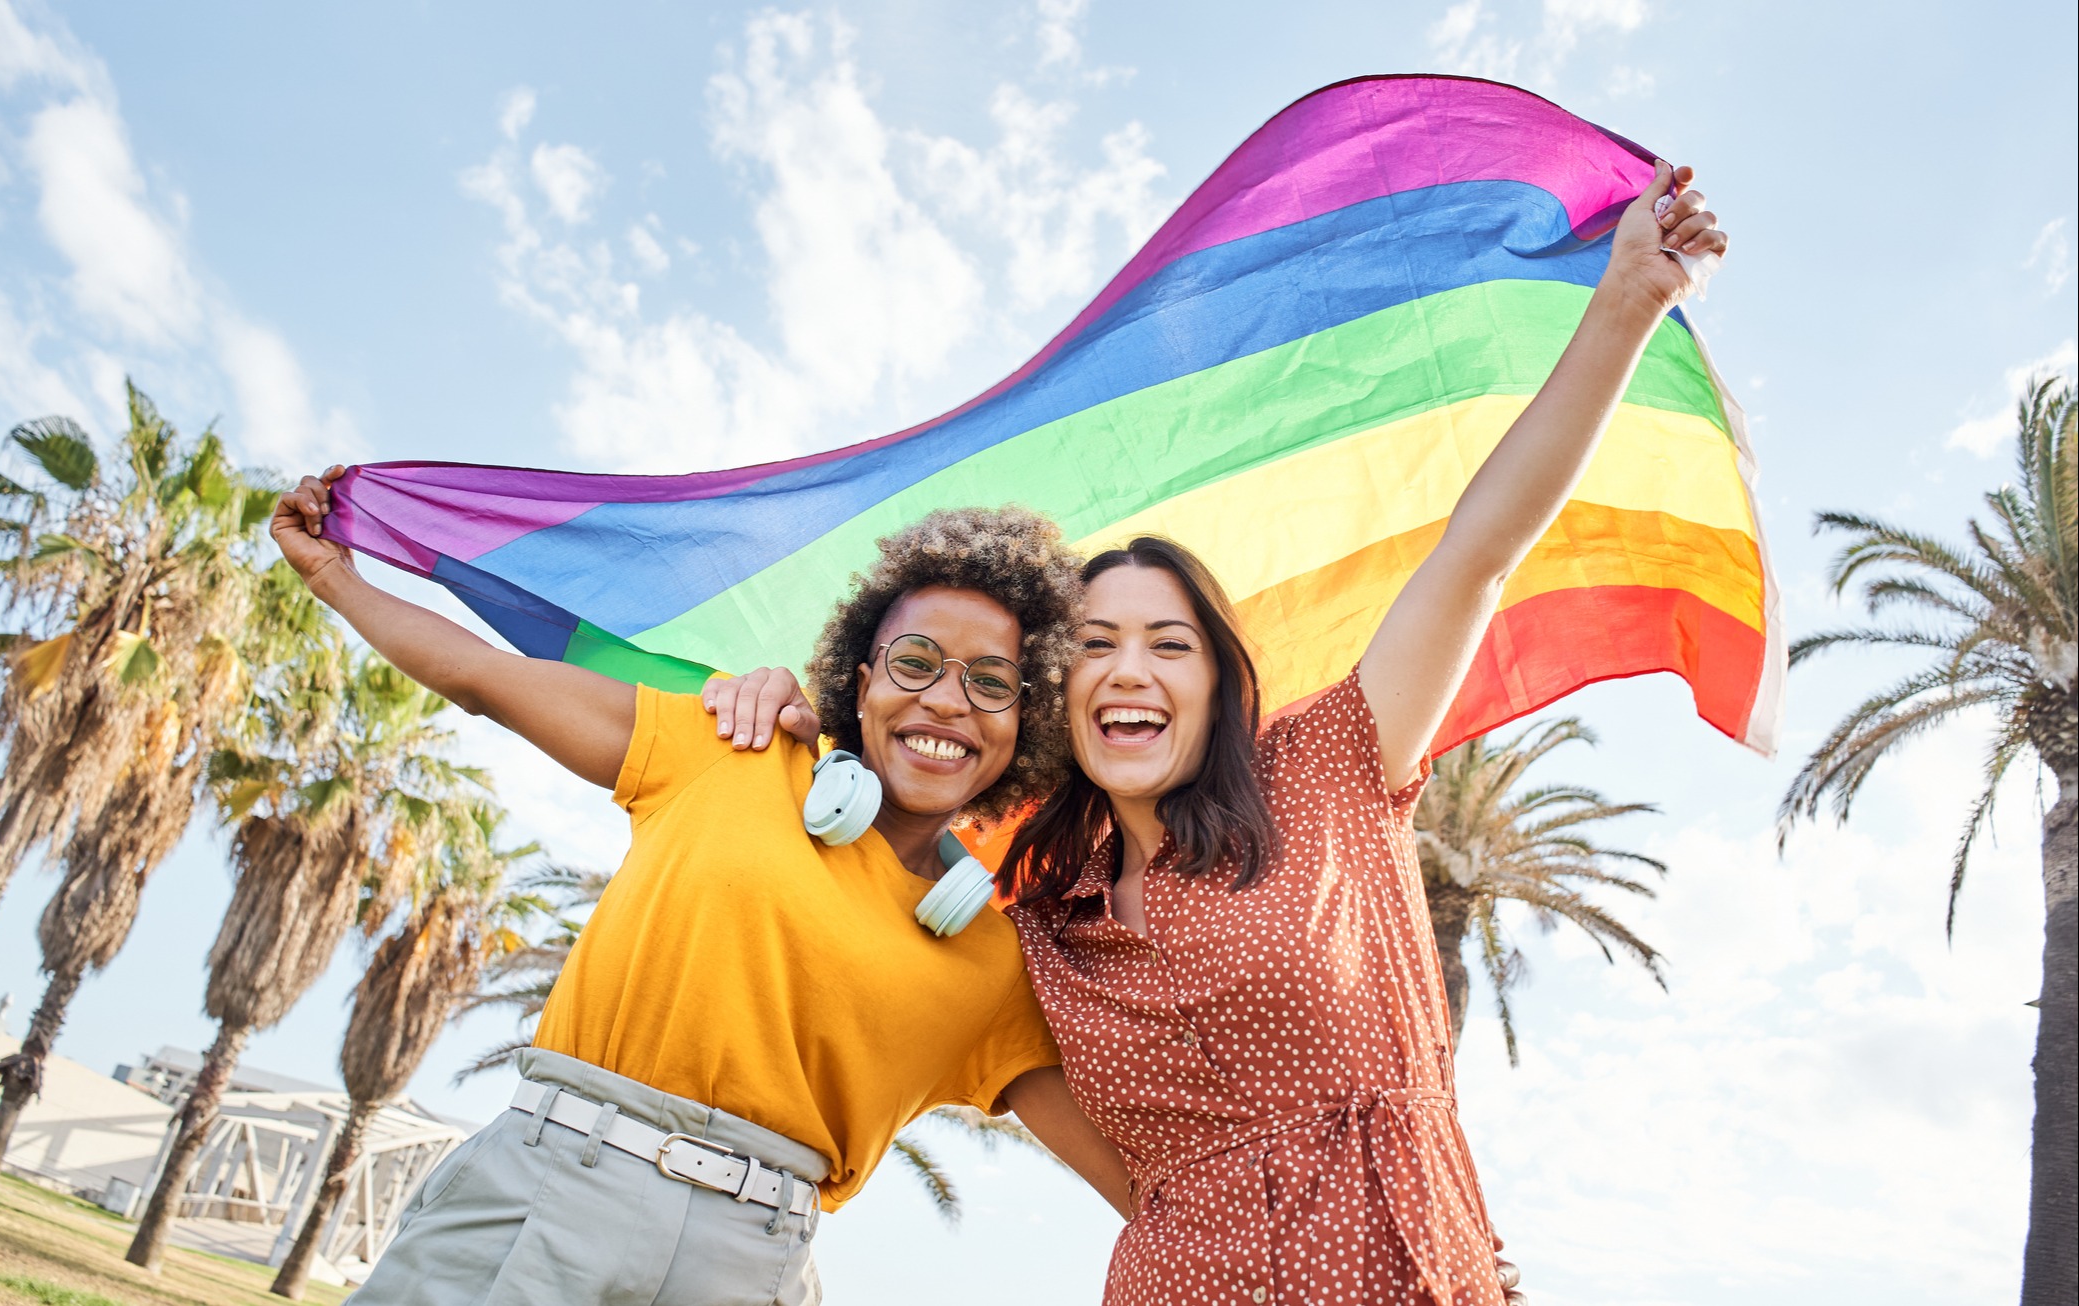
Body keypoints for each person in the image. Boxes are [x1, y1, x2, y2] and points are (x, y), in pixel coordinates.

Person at [714, 160, 1724, 1304]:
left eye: (1169, 643)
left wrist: (1629, 300)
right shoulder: (1041, 925)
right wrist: (798, 720)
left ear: (1219, 684)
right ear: (1057, 693)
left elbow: (1479, 551)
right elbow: (854, 892)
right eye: (1094, 644)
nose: (1129, 670)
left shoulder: (1330, 767)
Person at [268, 491, 1130, 1305]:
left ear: (1027, 722)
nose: (946, 700)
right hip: (542, 1192)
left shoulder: (994, 963)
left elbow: (1149, 1185)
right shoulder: (732, 751)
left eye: (990, 682)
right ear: (860, 681)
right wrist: (331, 575)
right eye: (914, 663)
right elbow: (480, 676)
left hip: (748, 1266)